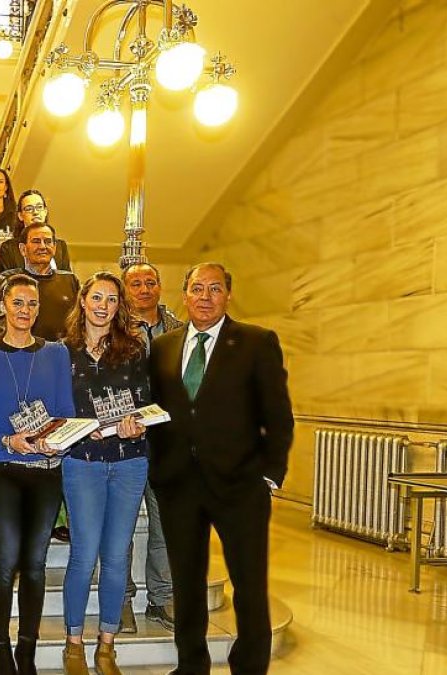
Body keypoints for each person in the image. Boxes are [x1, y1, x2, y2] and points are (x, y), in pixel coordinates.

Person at [148, 263, 293, 675]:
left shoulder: (256, 342)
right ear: (185, 295)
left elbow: (278, 416)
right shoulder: (163, 348)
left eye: (214, 288)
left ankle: (249, 666)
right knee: (186, 583)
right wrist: (159, 468)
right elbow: (157, 412)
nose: (205, 296)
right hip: (179, 485)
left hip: (241, 486)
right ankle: (191, 664)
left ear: (228, 294)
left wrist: (269, 473)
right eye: (197, 288)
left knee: (249, 586)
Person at [0, 273, 73, 675]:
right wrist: (8, 441)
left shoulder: (56, 354)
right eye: (18, 303)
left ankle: (27, 649)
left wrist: (56, 438)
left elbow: (64, 408)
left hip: (46, 470)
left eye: (32, 304)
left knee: (35, 563)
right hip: (2, 469)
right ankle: (0, 646)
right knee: (5, 561)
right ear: (3, 307)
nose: (25, 312)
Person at [60, 271, 151, 675]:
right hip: (83, 463)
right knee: (84, 555)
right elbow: (53, 413)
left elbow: (146, 404)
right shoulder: (61, 353)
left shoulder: (133, 350)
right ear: (82, 300)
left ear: (119, 306)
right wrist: (79, 427)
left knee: (116, 557)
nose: (103, 306)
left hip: (130, 461)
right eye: (96, 297)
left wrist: (139, 423)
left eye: (111, 299)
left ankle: (107, 645)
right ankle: (74, 643)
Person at [119, 262, 182, 632]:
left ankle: (162, 599)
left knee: (165, 526)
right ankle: (121, 599)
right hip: (125, 442)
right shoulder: (114, 328)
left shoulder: (179, 330)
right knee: (121, 527)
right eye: (135, 283)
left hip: (167, 443)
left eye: (150, 282)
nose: (144, 289)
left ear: (160, 286)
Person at [0, 221, 80, 342]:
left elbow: (78, 324)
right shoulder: (6, 280)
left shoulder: (70, 280)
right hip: (17, 354)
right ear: (23, 249)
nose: (43, 247)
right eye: (36, 241)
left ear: (54, 247)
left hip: (62, 354)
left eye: (48, 242)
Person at [0, 189, 72, 272]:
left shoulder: (61, 246)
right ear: (20, 215)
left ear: (45, 212)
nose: (35, 212)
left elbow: (67, 279)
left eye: (39, 207)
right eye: (29, 209)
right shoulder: (8, 248)